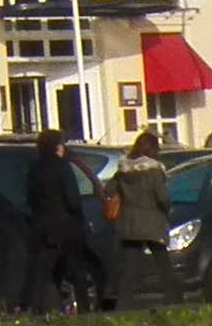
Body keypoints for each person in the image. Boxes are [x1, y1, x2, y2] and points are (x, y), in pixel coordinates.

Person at [17, 129, 91, 313]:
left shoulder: (34, 168)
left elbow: (31, 199)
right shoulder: (63, 167)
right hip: (66, 226)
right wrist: (81, 220)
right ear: (58, 146)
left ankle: (35, 308)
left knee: (41, 273)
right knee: (77, 271)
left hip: (43, 226)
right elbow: (73, 199)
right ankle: (84, 309)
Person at [109, 125, 175, 307]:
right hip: (151, 222)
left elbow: (108, 189)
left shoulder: (123, 170)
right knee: (164, 264)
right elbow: (162, 198)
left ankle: (123, 304)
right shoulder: (154, 171)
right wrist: (168, 209)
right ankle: (174, 300)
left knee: (130, 268)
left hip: (129, 222)